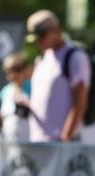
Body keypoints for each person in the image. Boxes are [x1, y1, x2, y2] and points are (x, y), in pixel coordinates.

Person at [24, 10, 90, 142]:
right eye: (36, 37)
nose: (39, 41)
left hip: (62, 144)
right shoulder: (41, 60)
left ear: (56, 30)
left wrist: (66, 136)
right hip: (38, 141)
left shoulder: (75, 57)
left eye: (42, 35)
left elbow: (80, 102)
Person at [0, 53, 32, 142]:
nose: (12, 74)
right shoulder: (5, 91)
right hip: (9, 142)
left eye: (16, 69)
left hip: (30, 141)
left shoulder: (33, 88)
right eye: (8, 71)